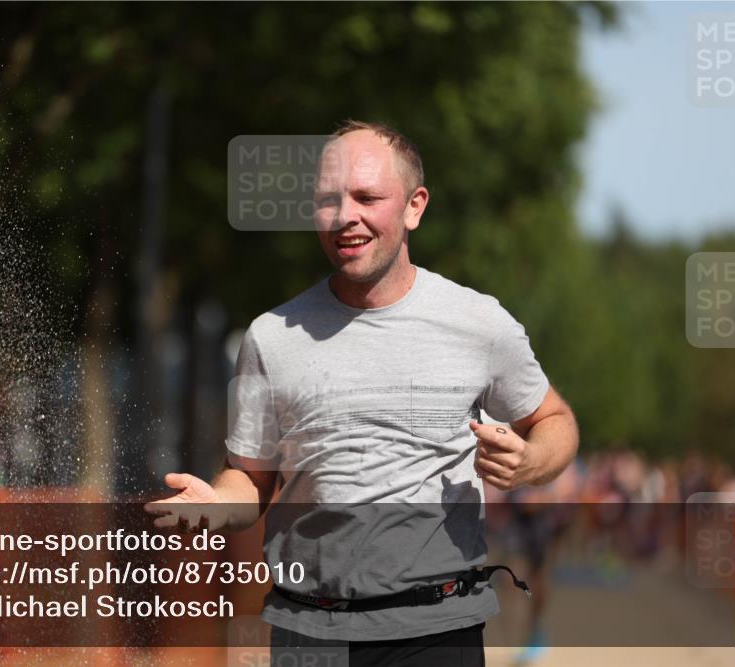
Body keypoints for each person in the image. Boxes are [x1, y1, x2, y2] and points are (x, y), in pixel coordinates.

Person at [145, 120, 579, 666]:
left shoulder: (478, 323)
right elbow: (251, 478)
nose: (346, 215)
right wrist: (219, 506)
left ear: (414, 207)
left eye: (367, 197)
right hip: (307, 635)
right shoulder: (271, 337)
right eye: (329, 199)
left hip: (435, 633)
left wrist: (531, 460)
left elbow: (554, 419)